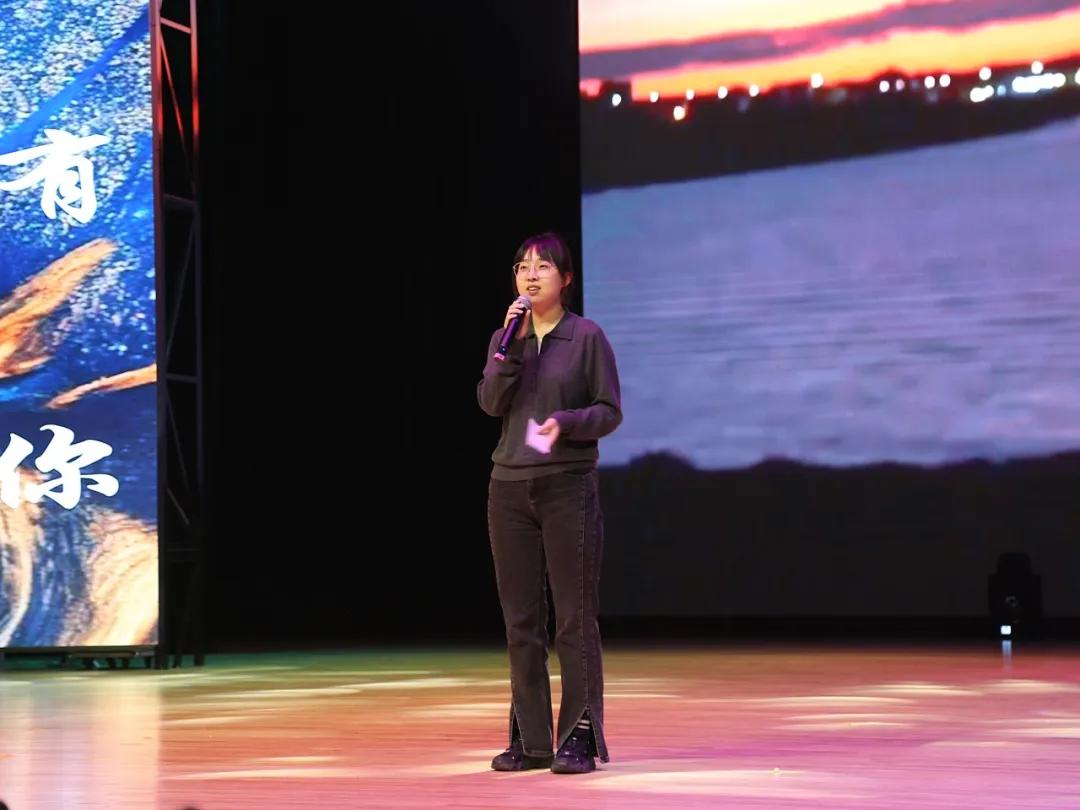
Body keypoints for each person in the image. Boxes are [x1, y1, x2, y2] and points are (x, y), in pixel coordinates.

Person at [477, 232, 622, 774]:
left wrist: (567, 422)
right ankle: (531, 739)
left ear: (566, 278)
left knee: (573, 620)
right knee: (521, 620)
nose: (530, 275)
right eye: (522, 267)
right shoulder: (506, 336)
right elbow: (490, 401)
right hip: (508, 487)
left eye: (542, 266)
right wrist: (507, 348)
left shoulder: (586, 337)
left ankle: (578, 736)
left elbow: (609, 410)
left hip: (566, 485)